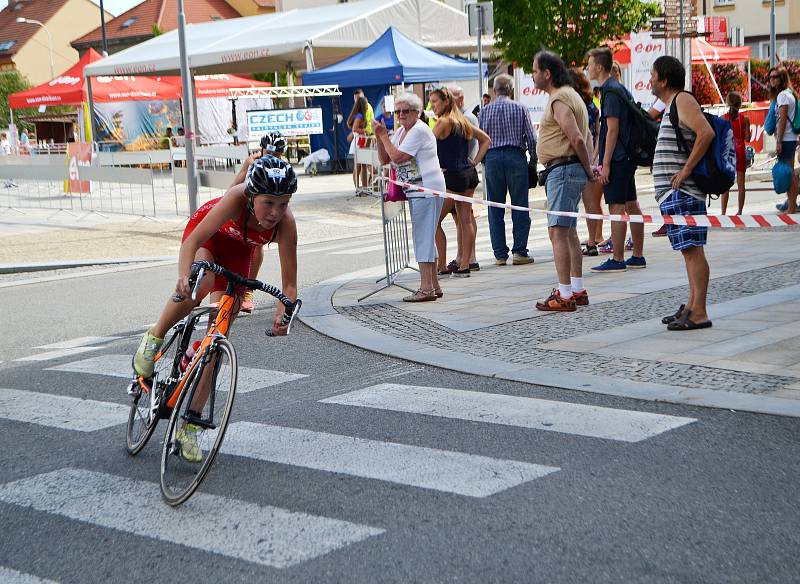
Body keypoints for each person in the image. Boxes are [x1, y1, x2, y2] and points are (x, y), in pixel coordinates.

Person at [651, 55, 714, 331]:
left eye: (653, 75)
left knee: (692, 251)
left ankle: (699, 311)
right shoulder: (671, 105)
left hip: (685, 191)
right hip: (675, 193)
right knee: (688, 251)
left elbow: (706, 132)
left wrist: (686, 170)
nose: (650, 80)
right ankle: (691, 305)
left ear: (664, 80)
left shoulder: (682, 100)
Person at [534, 51, 595, 312]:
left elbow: (578, 138)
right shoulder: (574, 96)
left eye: (535, 71)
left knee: (558, 232)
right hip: (568, 169)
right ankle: (576, 289)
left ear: (547, 74)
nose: (533, 75)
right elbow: (588, 136)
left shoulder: (559, 98)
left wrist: (588, 169)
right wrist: (588, 167)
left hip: (563, 169)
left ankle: (564, 294)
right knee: (569, 231)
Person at [373, 92, 445, 302]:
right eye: (397, 111)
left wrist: (384, 136)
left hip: (426, 189)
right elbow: (385, 158)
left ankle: (426, 288)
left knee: (422, 236)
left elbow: (398, 156)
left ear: (417, 112)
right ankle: (433, 285)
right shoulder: (402, 131)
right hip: (417, 190)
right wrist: (380, 137)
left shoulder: (419, 130)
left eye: (406, 111)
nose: (401, 114)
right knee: (426, 236)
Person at [587, 47, 646, 272]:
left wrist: (606, 164)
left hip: (619, 158)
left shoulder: (609, 92)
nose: (588, 68)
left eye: (590, 64)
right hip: (627, 156)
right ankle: (638, 255)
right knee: (631, 204)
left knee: (617, 208)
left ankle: (618, 258)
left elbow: (612, 130)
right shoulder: (619, 88)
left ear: (600, 67)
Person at [429, 87, 491, 277]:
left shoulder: (443, 122)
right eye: (431, 102)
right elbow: (486, 140)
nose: (432, 106)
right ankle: (465, 264)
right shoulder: (462, 121)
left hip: (453, 177)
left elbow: (426, 145)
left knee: (433, 222)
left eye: (435, 102)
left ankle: (442, 266)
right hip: (469, 174)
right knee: (466, 221)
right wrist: (476, 161)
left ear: (446, 102)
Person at [479, 73, 538, 266]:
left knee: (495, 208)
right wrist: (533, 162)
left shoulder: (484, 111)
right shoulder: (520, 108)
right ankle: (519, 251)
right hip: (515, 157)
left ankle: (500, 255)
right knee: (520, 205)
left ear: (494, 91)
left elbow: (480, 139)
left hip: (493, 158)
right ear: (511, 90)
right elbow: (532, 138)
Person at [233, 132, 288, 314]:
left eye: (277, 155)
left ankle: (248, 290)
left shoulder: (283, 169)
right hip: (244, 212)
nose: (272, 158)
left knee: (256, 246)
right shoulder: (252, 162)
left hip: (262, 217)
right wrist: (245, 167)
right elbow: (232, 189)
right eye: (269, 153)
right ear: (262, 149)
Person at [568, 67, 605, 256]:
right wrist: (594, 154)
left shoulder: (572, 105)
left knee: (586, 201)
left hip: (579, 156)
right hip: (592, 154)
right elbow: (598, 132)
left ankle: (591, 241)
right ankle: (594, 238)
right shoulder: (592, 105)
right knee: (592, 201)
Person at [447, 84, 482, 272]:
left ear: (459, 99)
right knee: (460, 218)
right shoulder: (458, 116)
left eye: (449, 97)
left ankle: (469, 257)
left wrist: (472, 161)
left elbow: (475, 142)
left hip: (463, 172)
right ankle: (463, 257)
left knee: (465, 217)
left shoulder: (466, 117)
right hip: (463, 170)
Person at [771, 67, 799, 214]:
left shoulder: (782, 95)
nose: (772, 80)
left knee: (789, 174)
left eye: (775, 77)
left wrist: (779, 141)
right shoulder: (790, 93)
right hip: (791, 138)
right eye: (770, 77)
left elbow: (782, 120)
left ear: (782, 78)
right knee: (791, 173)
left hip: (786, 139)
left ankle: (791, 207)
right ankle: (792, 205)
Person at [721, 91, 751, 215]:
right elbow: (748, 138)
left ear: (728, 103)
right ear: (740, 105)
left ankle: (723, 212)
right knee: (741, 184)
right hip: (740, 150)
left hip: (729, 152)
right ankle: (739, 211)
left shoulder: (723, 119)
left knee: (726, 184)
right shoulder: (745, 119)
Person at [347, 96, 371, 195]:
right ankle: (359, 188)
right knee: (359, 166)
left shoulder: (359, 115)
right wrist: (364, 130)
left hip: (360, 141)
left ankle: (364, 188)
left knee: (363, 166)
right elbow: (354, 129)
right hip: (358, 142)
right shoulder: (359, 116)